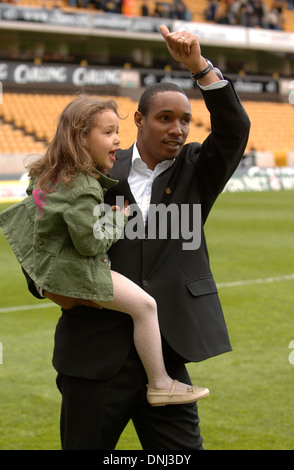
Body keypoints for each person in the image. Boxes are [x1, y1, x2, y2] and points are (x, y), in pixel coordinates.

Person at [20, 25, 250, 449]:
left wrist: (200, 68)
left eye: (185, 121)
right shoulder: (97, 165)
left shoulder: (198, 172)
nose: (178, 129)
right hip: (93, 355)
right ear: (140, 120)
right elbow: (42, 223)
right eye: (166, 118)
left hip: (166, 355)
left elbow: (234, 131)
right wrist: (48, 288)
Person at [0, 95, 209, 407]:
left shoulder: (54, 174)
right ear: (81, 138)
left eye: (117, 132)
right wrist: (117, 218)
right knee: (146, 307)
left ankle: (160, 382)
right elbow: (91, 243)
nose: (117, 140)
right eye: (108, 132)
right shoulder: (83, 186)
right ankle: (161, 383)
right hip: (76, 274)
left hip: (58, 269)